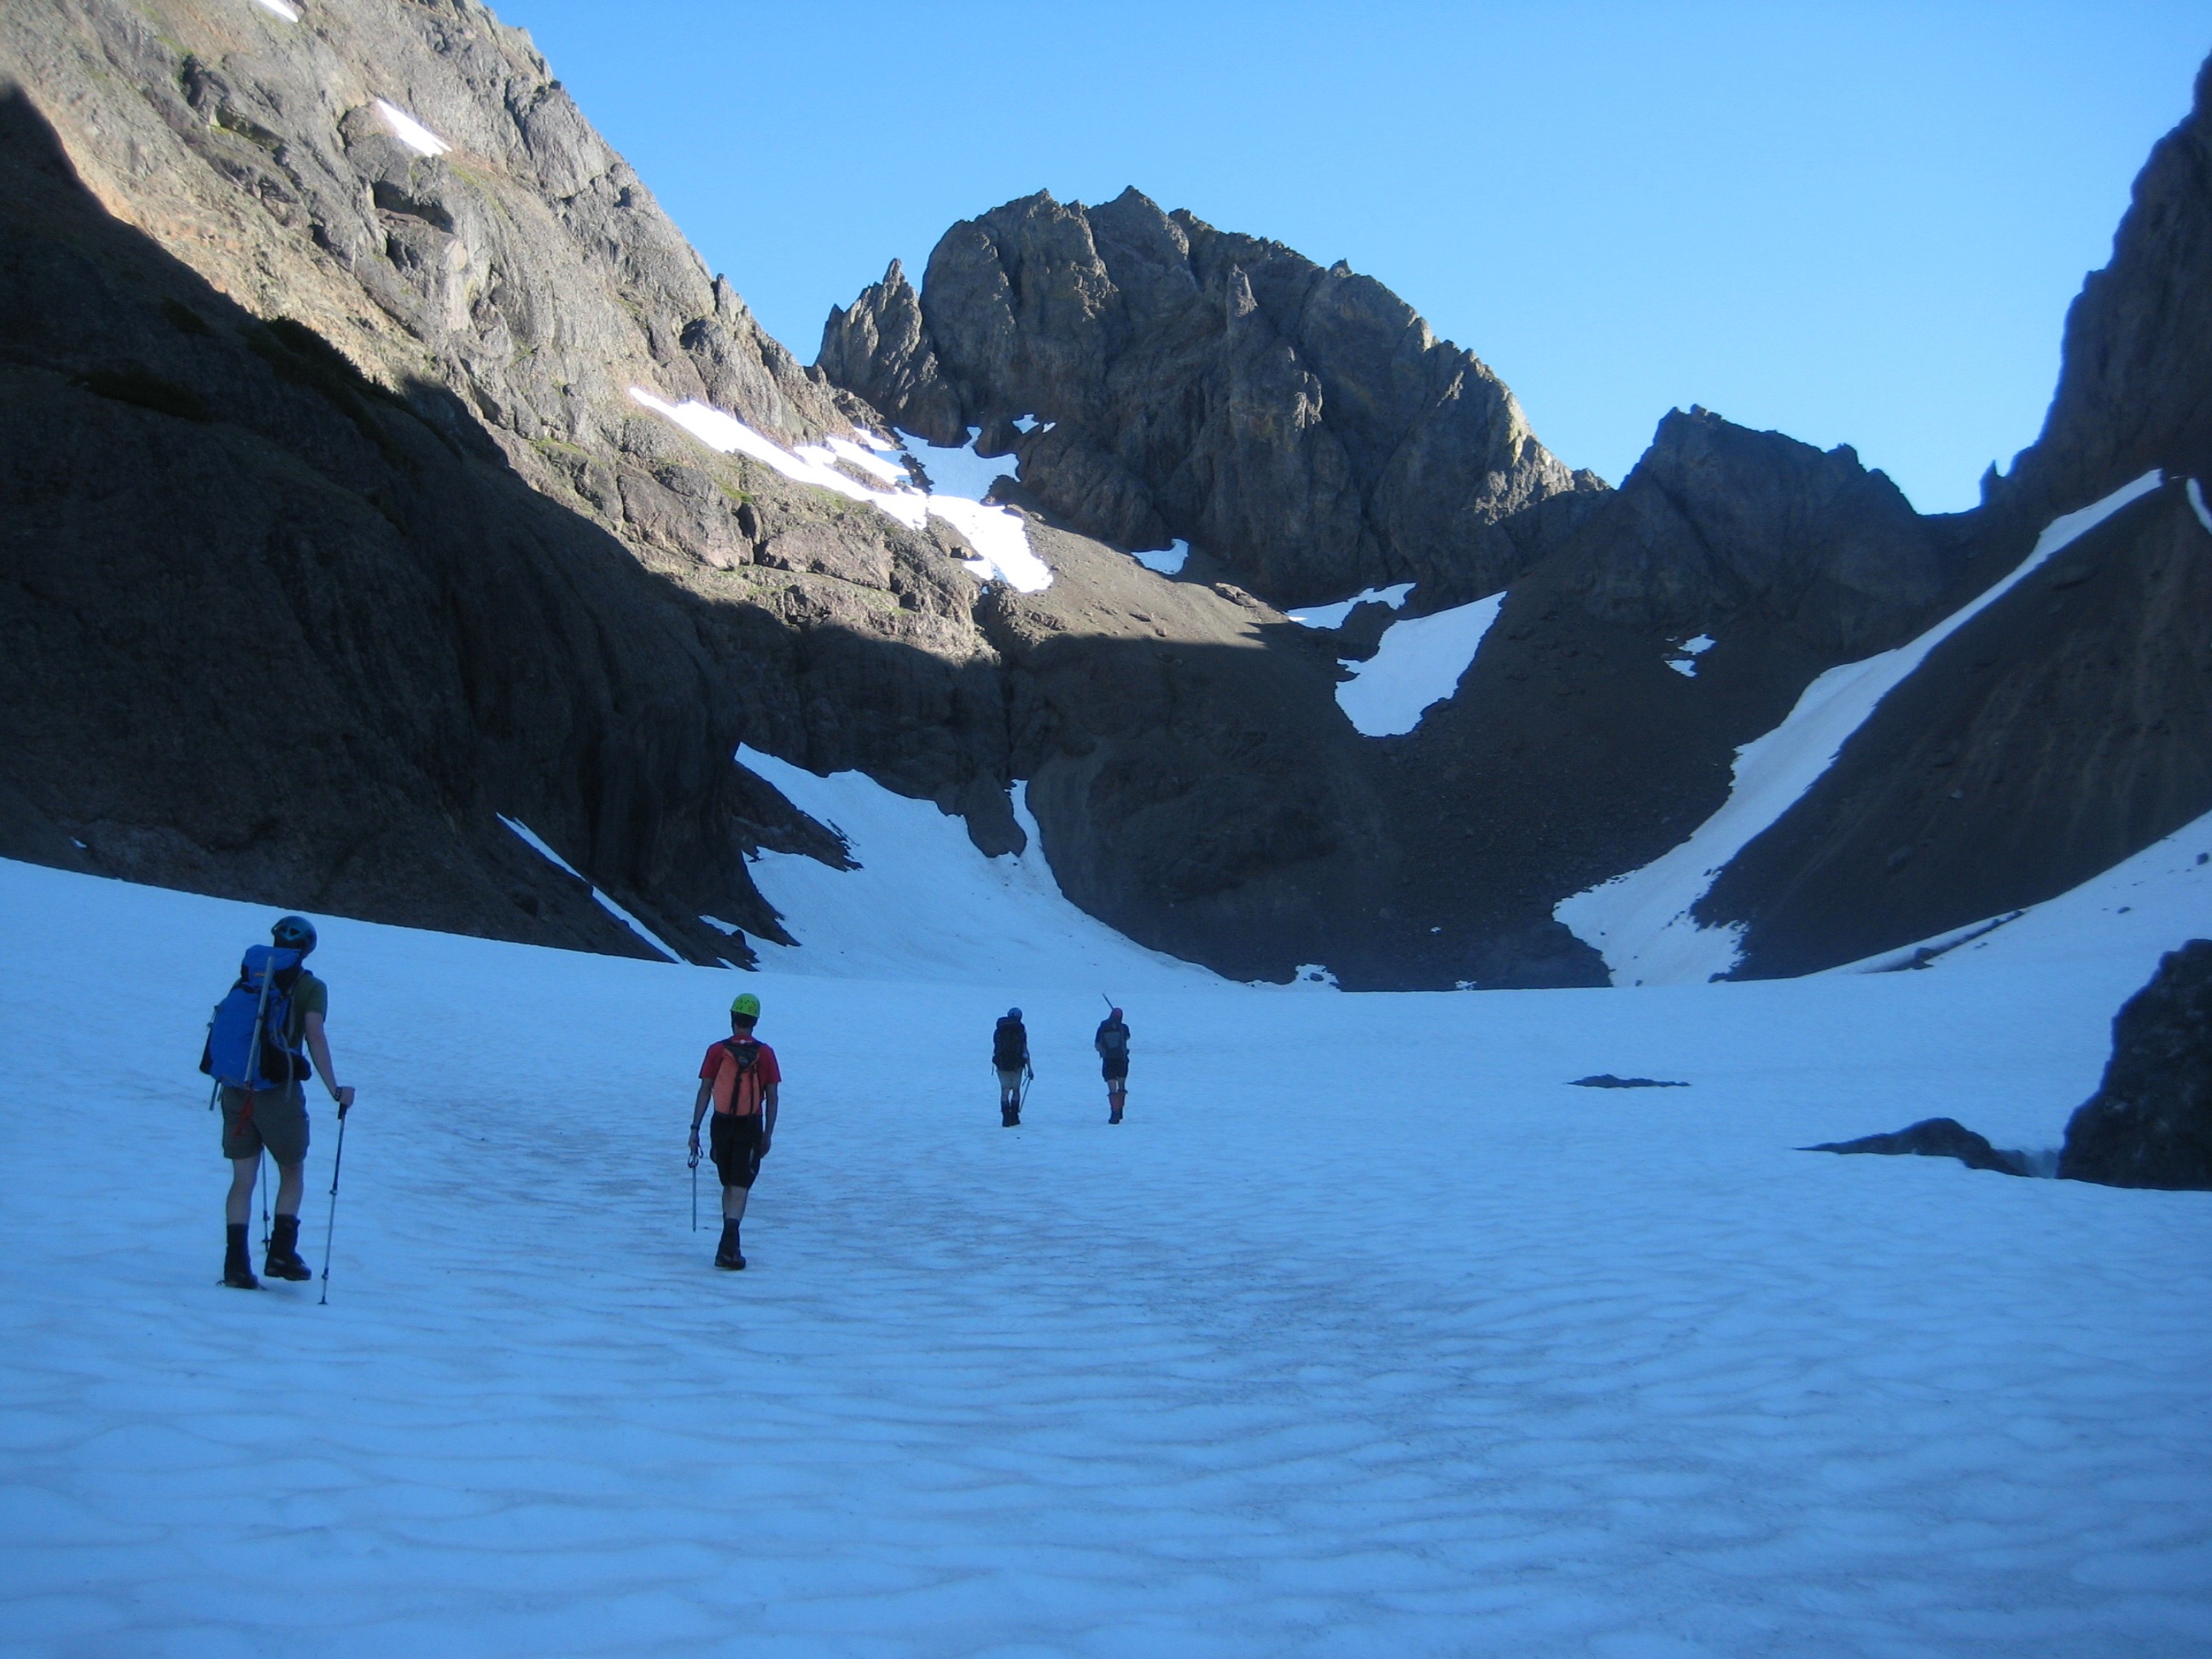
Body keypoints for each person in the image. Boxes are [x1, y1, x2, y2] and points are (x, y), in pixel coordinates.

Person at [218, 915, 356, 1289]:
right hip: (279, 1091)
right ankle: (281, 1253)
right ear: (307, 948)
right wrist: (334, 1088)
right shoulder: (310, 986)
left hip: (236, 1087)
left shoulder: (248, 979)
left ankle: (235, 1266)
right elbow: (314, 1036)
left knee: (242, 1180)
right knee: (291, 1170)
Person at [689, 992, 781, 1270]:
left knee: (729, 1182)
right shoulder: (765, 1054)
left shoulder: (717, 1051)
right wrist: (768, 1135)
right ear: (755, 1021)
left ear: (733, 1019)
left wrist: (695, 1129)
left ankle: (729, 1243)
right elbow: (773, 1097)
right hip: (749, 1124)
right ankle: (729, 1244)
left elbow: (705, 1090)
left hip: (721, 1124)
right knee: (741, 1184)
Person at [992, 1007, 1032, 1127]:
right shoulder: (1020, 1030)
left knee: (1004, 1091)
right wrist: (1029, 1068)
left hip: (1002, 1064)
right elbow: (1025, 1050)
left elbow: (996, 1047)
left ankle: (1005, 1119)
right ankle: (1014, 1117)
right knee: (1016, 1090)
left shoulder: (999, 1030)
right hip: (1017, 1064)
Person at [1095, 1006, 1131, 1124]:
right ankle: (1120, 1110)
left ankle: (1114, 1113)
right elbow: (1127, 1040)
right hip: (1122, 1060)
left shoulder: (1103, 1027)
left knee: (1112, 1087)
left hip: (1109, 1060)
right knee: (1122, 1085)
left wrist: (1103, 1053)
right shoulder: (1124, 1028)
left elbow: (1097, 1045)